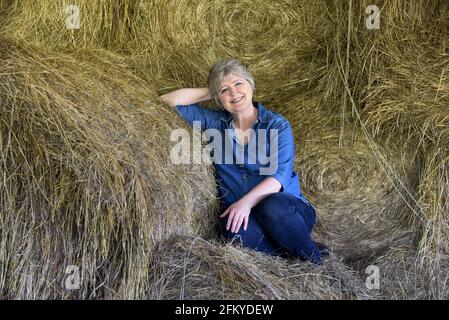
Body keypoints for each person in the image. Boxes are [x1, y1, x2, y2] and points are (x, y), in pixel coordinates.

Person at [160, 58, 327, 264]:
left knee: (272, 206)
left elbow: (279, 177)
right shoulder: (214, 122)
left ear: (251, 85)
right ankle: (289, 251)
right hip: (245, 216)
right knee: (231, 229)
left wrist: (245, 203)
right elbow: (168, 100)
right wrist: (213, 90)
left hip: (287, 213)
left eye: (239, 84)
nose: (234, 93)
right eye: (224, 90)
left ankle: (314, 259)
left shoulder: (276, 125)